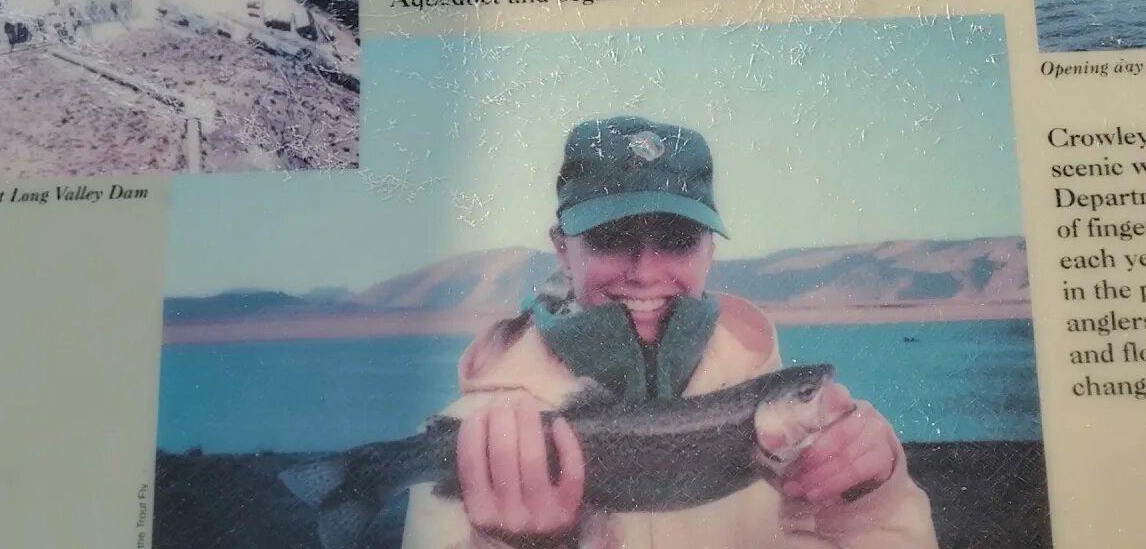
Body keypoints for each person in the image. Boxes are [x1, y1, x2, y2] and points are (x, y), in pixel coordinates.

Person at [400, 116, 938, 549]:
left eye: (677, 238)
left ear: (710, 249)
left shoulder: (815, 435)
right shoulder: (471, 434)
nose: (645, 270)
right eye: (613, 238)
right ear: (564, 248)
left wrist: (869, 503)